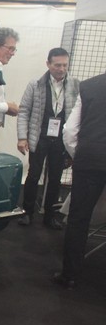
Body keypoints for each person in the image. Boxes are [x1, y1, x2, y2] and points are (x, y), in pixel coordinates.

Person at [52, 70, 106, 289]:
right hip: (89, 159)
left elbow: (70, 130)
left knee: (78, 218)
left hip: (89, 160)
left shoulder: (90, 86)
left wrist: (79, 154)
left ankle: (70, 275)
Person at [16, 48, 80, 229]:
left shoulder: (75, 85)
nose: (61, 69)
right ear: (48, 64)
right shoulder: (35, 84)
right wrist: (22, 137)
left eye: (65, 65)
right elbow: (24, 111)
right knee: (33, 175)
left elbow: (78, 115)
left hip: (61, 140)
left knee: (55, 178)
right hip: (39, 137)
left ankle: (50, 216)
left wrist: (74, 142)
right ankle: (27, 212)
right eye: (57, 65)